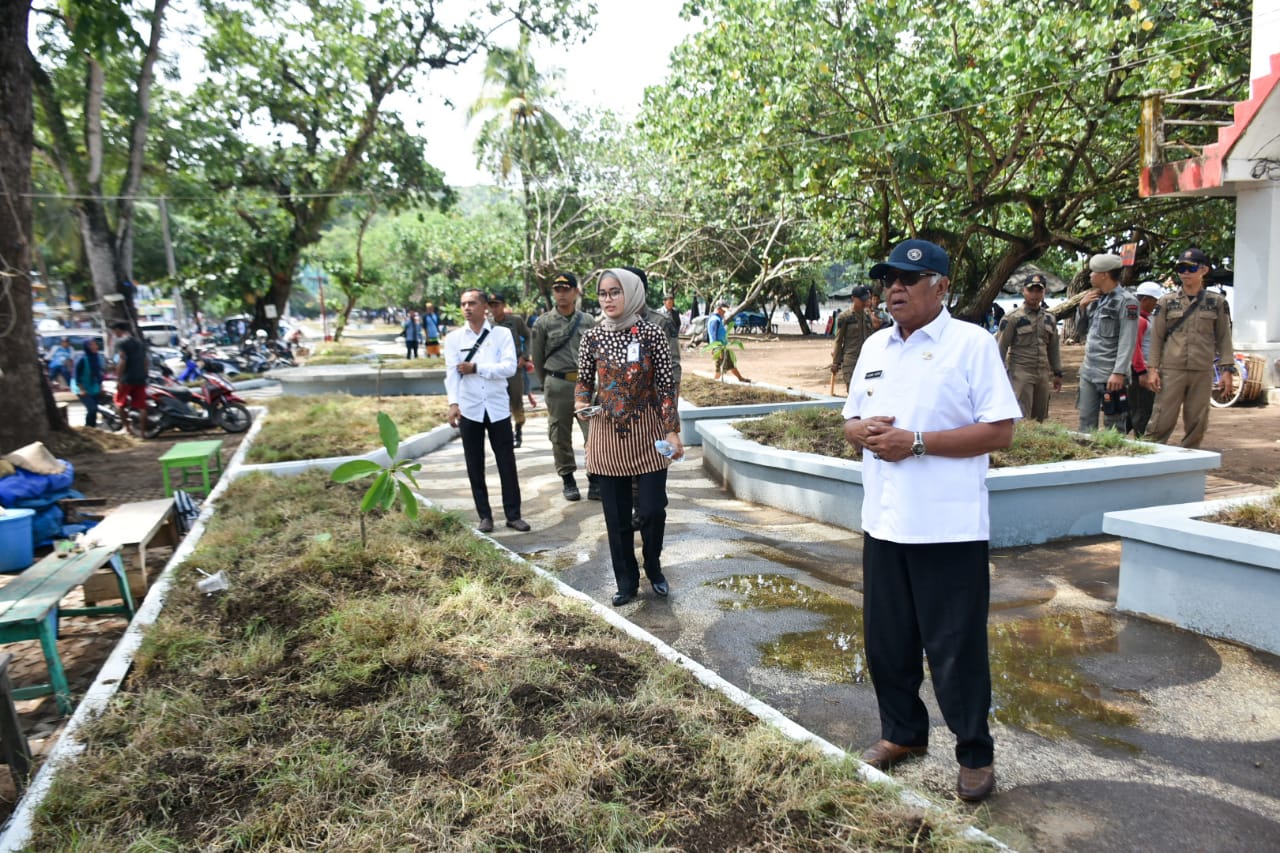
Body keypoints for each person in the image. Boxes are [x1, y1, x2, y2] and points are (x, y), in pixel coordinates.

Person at [843, 238, 1019, 804]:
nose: (893, 289)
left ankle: (974, 754)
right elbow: (849, 419)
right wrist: (862, 433)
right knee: (887, 643)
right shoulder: (874, 346)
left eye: (907, 280)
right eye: (887, 280)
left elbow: (1000, 431)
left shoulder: (971, 345)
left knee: (955, 648)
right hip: (885, 522)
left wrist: (915, 442)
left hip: (947, 527)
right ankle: (902, 733)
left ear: (940, 287)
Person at [576, 268, 683, 607]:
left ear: (632, 294)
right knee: (616, 516)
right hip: (606, 434)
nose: (608, 299)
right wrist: (580, 404)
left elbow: (666, 386)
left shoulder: (652, 333)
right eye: (603, 293)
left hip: (649, 432)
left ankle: (653, 566)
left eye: (615, 292)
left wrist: (672, 430)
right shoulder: (591, 338)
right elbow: (583, 381)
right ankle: (626, 581)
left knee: (652, 510)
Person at [444, 289, 530, 533]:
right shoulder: (454, 339)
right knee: (474, 463)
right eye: (463, 304)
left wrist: (477, 368)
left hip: (497, 408)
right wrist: (453, 404)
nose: (467, 308)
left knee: (506, 463)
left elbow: (509, 367)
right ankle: (485, 516)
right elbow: (451, 374)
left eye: (472, 303)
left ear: (485, 307)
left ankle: (513, 515)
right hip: (469, 407)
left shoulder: (501, 335)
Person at [1143, 248, 1235, 448]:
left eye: (1190, 268)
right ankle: (1149, 459)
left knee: (1198, 421)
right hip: (1171, 368)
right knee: (1161, 418)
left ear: (1204, 270)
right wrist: (1152, 369)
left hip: (1202, 369)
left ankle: (1189, 461)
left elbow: (1224, 338)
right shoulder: (1166, 302)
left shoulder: (1216, 302)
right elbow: (1156, 337)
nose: (1185, 272)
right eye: (1180, 268)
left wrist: (1227, 370)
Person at [531, 271, 598, 502]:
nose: (561, 293)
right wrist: (547, 383)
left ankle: (595, 478)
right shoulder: (543, 323)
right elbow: (537, 358)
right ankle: (568, 478)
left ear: (575, 292)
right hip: (557, 383)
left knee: (594, 434)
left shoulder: (588, 321)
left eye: (565, 289)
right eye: (557, 289)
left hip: (585, 385)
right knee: (560, 434)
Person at [1075, 253, 1139, 433]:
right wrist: (1082, 307)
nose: (1090, 275)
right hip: (1089, 370)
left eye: (1093, 272)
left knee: (1114, 424)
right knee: (1085, 421)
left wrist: (1119, 372)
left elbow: (1128, 339)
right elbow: (1081, 332)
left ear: (1104, 275)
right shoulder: (1095, 298)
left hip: (1110, 372)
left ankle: (1114, 459)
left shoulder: (1127, 301)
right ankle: (1088, 460)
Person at [996, 273, 1063, 421]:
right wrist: (997, 377)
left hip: (1042, 374)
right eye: (1030, 290)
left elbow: (1053, 347)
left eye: (1039, 291)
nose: (1034, 294)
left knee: (1040, 418)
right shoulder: (1012, 318)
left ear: (1044, 293)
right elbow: (1001, 348)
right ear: (1023, 291)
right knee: (1020, 417)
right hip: (1020, 373)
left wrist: (1057, 373)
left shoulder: (1049, 318)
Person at [487, 292, 533, 448]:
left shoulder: (515, 321)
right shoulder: (487, 324)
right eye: (491, 305)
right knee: (499, 402)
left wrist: (525, 357)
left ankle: (518, 432)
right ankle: (504, 434)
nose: (494, 308)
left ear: (503, 305)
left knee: (516, 401)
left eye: (497, 305)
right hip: (495, 370)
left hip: (514, 369)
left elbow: (528, 336)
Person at [1128, 281, 1163, 437]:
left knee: (1133, 409)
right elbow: (1135, 348)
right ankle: (1140, 441)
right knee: (1143, 409)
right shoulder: (1140, 320)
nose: (1156, 304)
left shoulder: (1143, 318)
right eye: (1154, 301)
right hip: (1140, 371)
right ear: (1145, 300)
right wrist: (1142, 372)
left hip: (1139, 370)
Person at [830, 285, 879, 392]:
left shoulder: (867, 316)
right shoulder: (845, 317)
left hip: (866, 360)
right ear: (853, 299)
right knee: (853, 391)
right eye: (861, 299)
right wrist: (836, 363)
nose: (864, 302)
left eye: (866, 299)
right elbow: (838, 340)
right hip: (851, 361)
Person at [111, 320, 149, 437]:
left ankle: (127, 429)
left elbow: (122, 360)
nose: (114, 334)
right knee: (142, 406)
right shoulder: (139, 343)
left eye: (114, 331)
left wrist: (118, 378)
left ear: (118, 330)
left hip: (127, 378)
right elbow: (145, 361)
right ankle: (143, 433)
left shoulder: (121, 343)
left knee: (120, 403)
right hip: (140, 378)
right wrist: (144, 374)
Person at [707, 301, 750, 382]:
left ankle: (740, 378)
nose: (724, 313)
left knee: (731, 364)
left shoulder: (717, 319)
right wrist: (717, 349)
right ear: (718, 309)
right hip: (719, 348)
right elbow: (713, 336)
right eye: (723, 311)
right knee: (718, 369)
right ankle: (713, 383)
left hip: (723, 347)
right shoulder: (714, 320)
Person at [70, 339, 107, 428]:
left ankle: (92, 428)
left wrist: (101, 386)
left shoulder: (97, 357)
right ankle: (88, 427)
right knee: (92, 408)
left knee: (94, 409)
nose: (95, 347)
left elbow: (99, 374)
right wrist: (82, 389)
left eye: (95, 345)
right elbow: (77, 375)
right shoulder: (82, 359)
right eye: (91, 345)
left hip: (93, 387)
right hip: (82, 387)